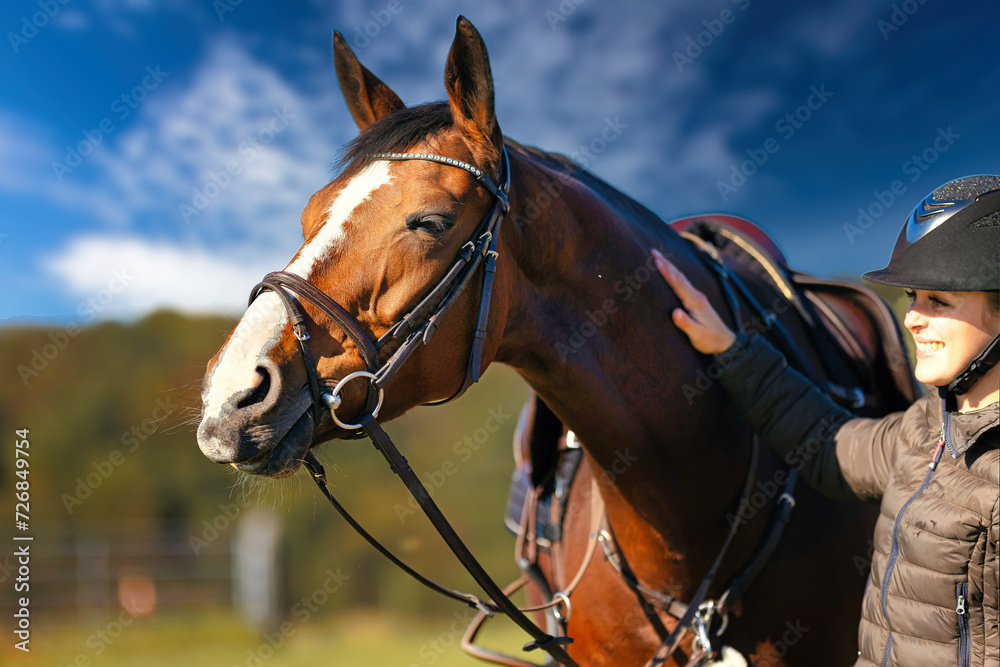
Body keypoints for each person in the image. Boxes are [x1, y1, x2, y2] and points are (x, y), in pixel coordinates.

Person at [652, 175, 999, 667]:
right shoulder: (926, 429)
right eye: (914, 298)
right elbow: (825, 442)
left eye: (938, 301)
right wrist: (730, 350)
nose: (912, 319)